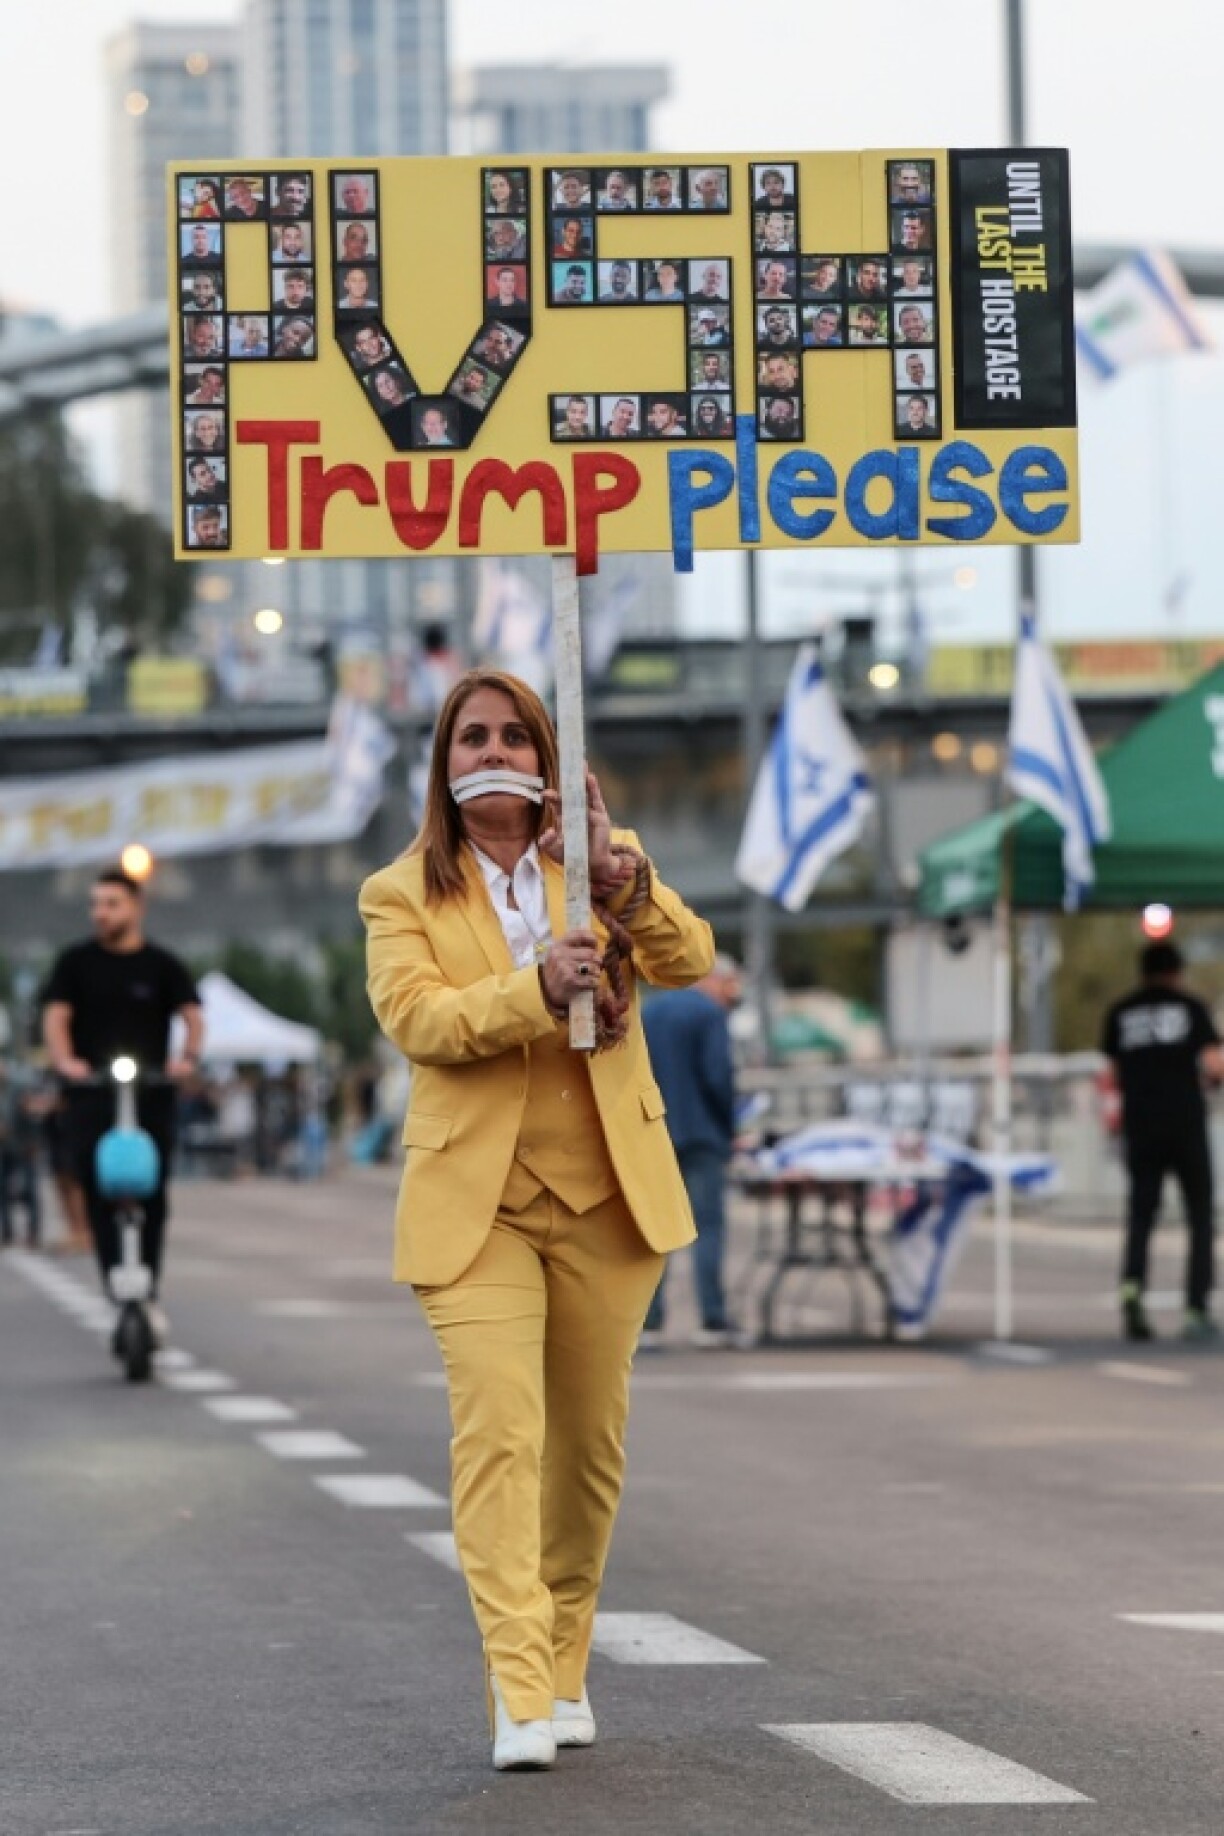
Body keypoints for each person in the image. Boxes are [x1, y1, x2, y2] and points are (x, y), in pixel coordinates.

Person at [359, 669, 713, 1770]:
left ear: (550, 758)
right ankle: (517, 1688)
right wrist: (532, 984)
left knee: (587, 1453)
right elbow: (417, 1020)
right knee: (502, 1436)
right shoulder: (400, 892)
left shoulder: (603, 865)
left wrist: (618, 880)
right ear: (444, 762)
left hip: (612, 1196)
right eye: (472, 736)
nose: (493, 749)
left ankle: (564, 1667)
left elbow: (688, 962)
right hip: (479, 1212)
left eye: (516, 733)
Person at [42, 869, 203, 1333]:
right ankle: (116, 1279)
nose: (101, 913)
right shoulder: (75, 963)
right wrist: (66, 1061)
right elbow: (56, 1017)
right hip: (91, 1091)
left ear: (136, 907)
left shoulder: (163, 965)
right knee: (96, 1184)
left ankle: (147, 1285)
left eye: (111, 903)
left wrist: (186, 1060)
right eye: (95, 905)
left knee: (152, 1190)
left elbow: (192, 1016)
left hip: (151, 1091)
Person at [1101, 941, 1224, 1341]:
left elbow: (1113, 1073)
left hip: (1141, 1126)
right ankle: (1195, 1308)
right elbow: (1214, 1065)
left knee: (1141, 1215)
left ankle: (1133, 1291)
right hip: (1186, 1124)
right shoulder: (1190, 1009)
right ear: (1177, 972)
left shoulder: (1121, 1012)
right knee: (1200, 1217)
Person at [639, 954, 741, 1346]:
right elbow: (718, 1075)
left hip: (655, 1133)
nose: (732, 995)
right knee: (708, 1226)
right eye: (731, 985)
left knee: (658, 1230)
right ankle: (711, 1319)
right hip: (702, 1134)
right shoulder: (710, 1015)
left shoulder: (652, 1010)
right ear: (716, 980)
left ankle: (650, 1321)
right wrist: (728, 1127)